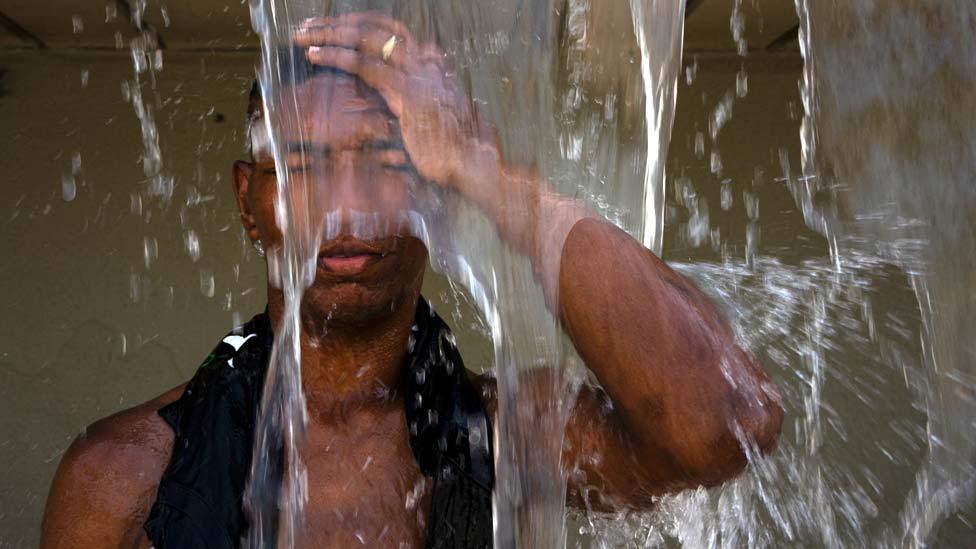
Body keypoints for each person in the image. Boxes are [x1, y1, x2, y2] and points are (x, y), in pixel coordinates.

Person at [40, 12, 783, 549]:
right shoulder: (127, 477)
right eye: (301, 165)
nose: (347, 203)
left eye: (389, 162)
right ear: (249, 201)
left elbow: (728, 424)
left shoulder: (513, 440)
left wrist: (485, 171)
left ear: (436, 195)